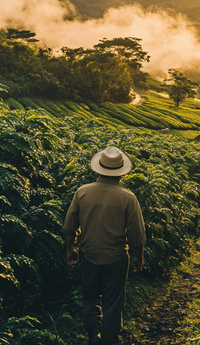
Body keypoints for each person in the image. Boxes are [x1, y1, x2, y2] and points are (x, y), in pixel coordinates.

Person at [62, 146, 146, 345]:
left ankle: (94, 334)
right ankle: (108, 340)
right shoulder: (128, 198)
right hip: (116, 258)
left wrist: (70, 249)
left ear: (98, 169)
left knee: (89, 297)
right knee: (113, 303)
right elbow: (136, 234)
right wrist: (138, 257)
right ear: (121, 173)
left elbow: (69, 226)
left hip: (89, 254)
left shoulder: (82, 192)